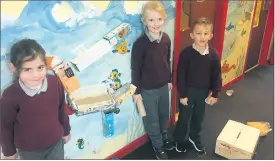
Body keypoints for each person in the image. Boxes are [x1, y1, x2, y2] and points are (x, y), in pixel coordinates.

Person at [0, 39, 71, 159]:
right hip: (29, 150)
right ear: (14, 68)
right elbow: (5, 126)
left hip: (56, 143)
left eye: (40, 67)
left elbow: (61, 109)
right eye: (27, 69)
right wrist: (9, 151)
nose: (36, 75)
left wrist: (66, 131)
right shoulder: (10, 96)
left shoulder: (55, 83)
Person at [172, 17, 222, 154]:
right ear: (192, 35)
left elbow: (217, 75)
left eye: (206, 33)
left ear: (211, 36)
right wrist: (182, 94)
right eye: (198, 33)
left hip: (203, 92)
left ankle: (194, 137)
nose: (202, 37)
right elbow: (180, 75)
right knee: (183, 117)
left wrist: (215, 93)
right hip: (187, 92)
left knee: (198, 117)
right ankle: (179, 139)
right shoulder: (186, 54)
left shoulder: (213, 55)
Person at [131, 1, 173, 160]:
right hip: (147, 90)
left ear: (164, 19)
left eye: (159, 19)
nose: (156, 24)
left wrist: (169, 79)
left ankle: (164, 136)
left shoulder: (166, 39)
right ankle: (158, 146)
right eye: (151, 20)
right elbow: (135, 69)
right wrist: (136, 91)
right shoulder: (140, 44)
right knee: (152, 119)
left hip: (163, 86)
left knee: (164, 115)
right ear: (144, 21)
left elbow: (167, 60)